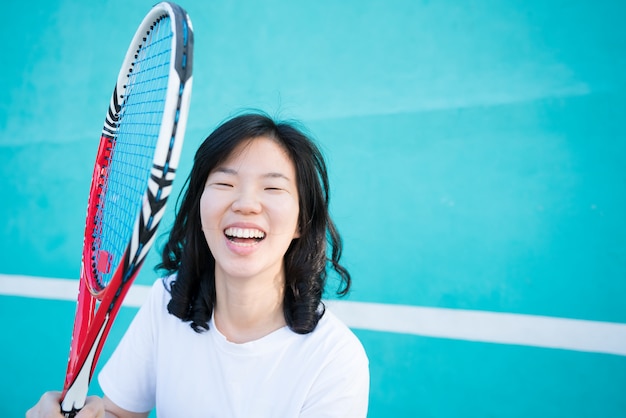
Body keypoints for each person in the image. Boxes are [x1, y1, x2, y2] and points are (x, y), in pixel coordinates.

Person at [27, 112, 370, 418]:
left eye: (272, 187)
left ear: (301, 222)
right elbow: (120, 412)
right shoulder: (167, 303)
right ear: (199, 206)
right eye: (224, 183)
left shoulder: (336, 360)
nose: (246, 203)